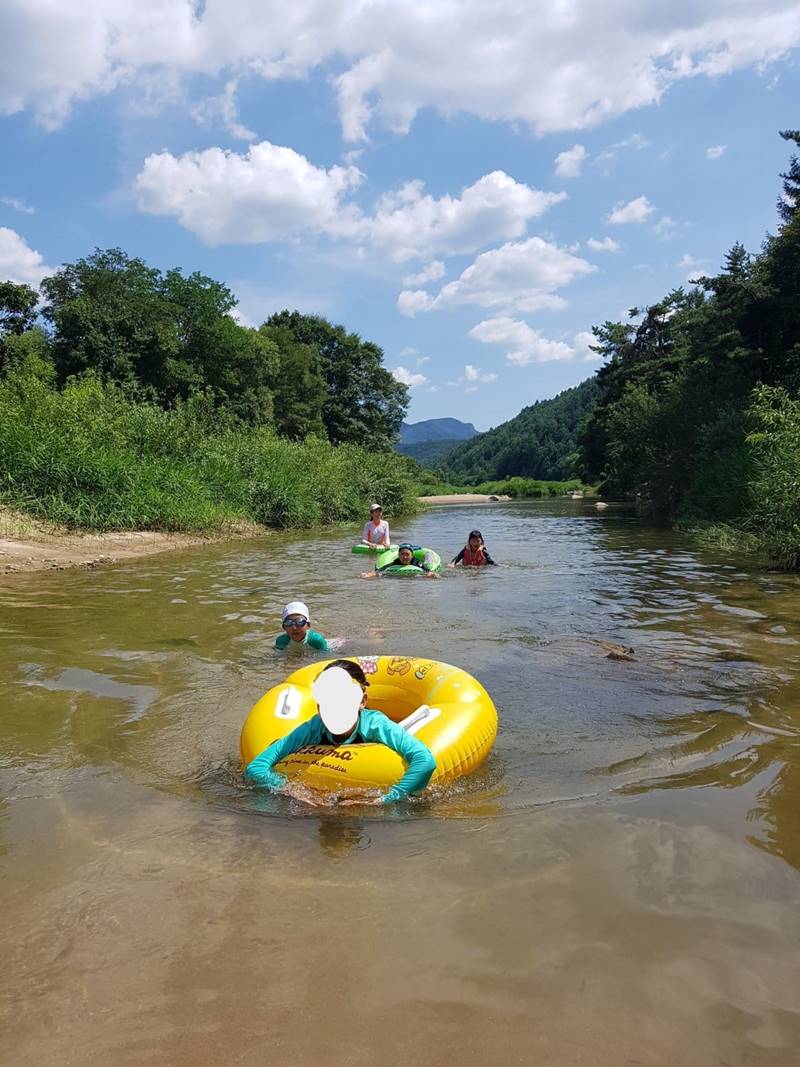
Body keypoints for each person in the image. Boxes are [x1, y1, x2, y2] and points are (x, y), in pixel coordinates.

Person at [243, 659, 436, 805]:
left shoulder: (376, 724)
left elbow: (425, 760)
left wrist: (387, 799)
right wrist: (290, 789)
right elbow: (256, 767)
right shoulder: (314, 727)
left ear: (362, 702)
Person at [362, 543, 441, 579]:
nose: (404, 557)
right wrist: (368, 574)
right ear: (398, 555)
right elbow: (380, 570)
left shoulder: (417, 563)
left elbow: (428, 571)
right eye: (402, 554)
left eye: (407, 554)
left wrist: (432, 575)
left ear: (412, 555)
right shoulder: (395, 562)